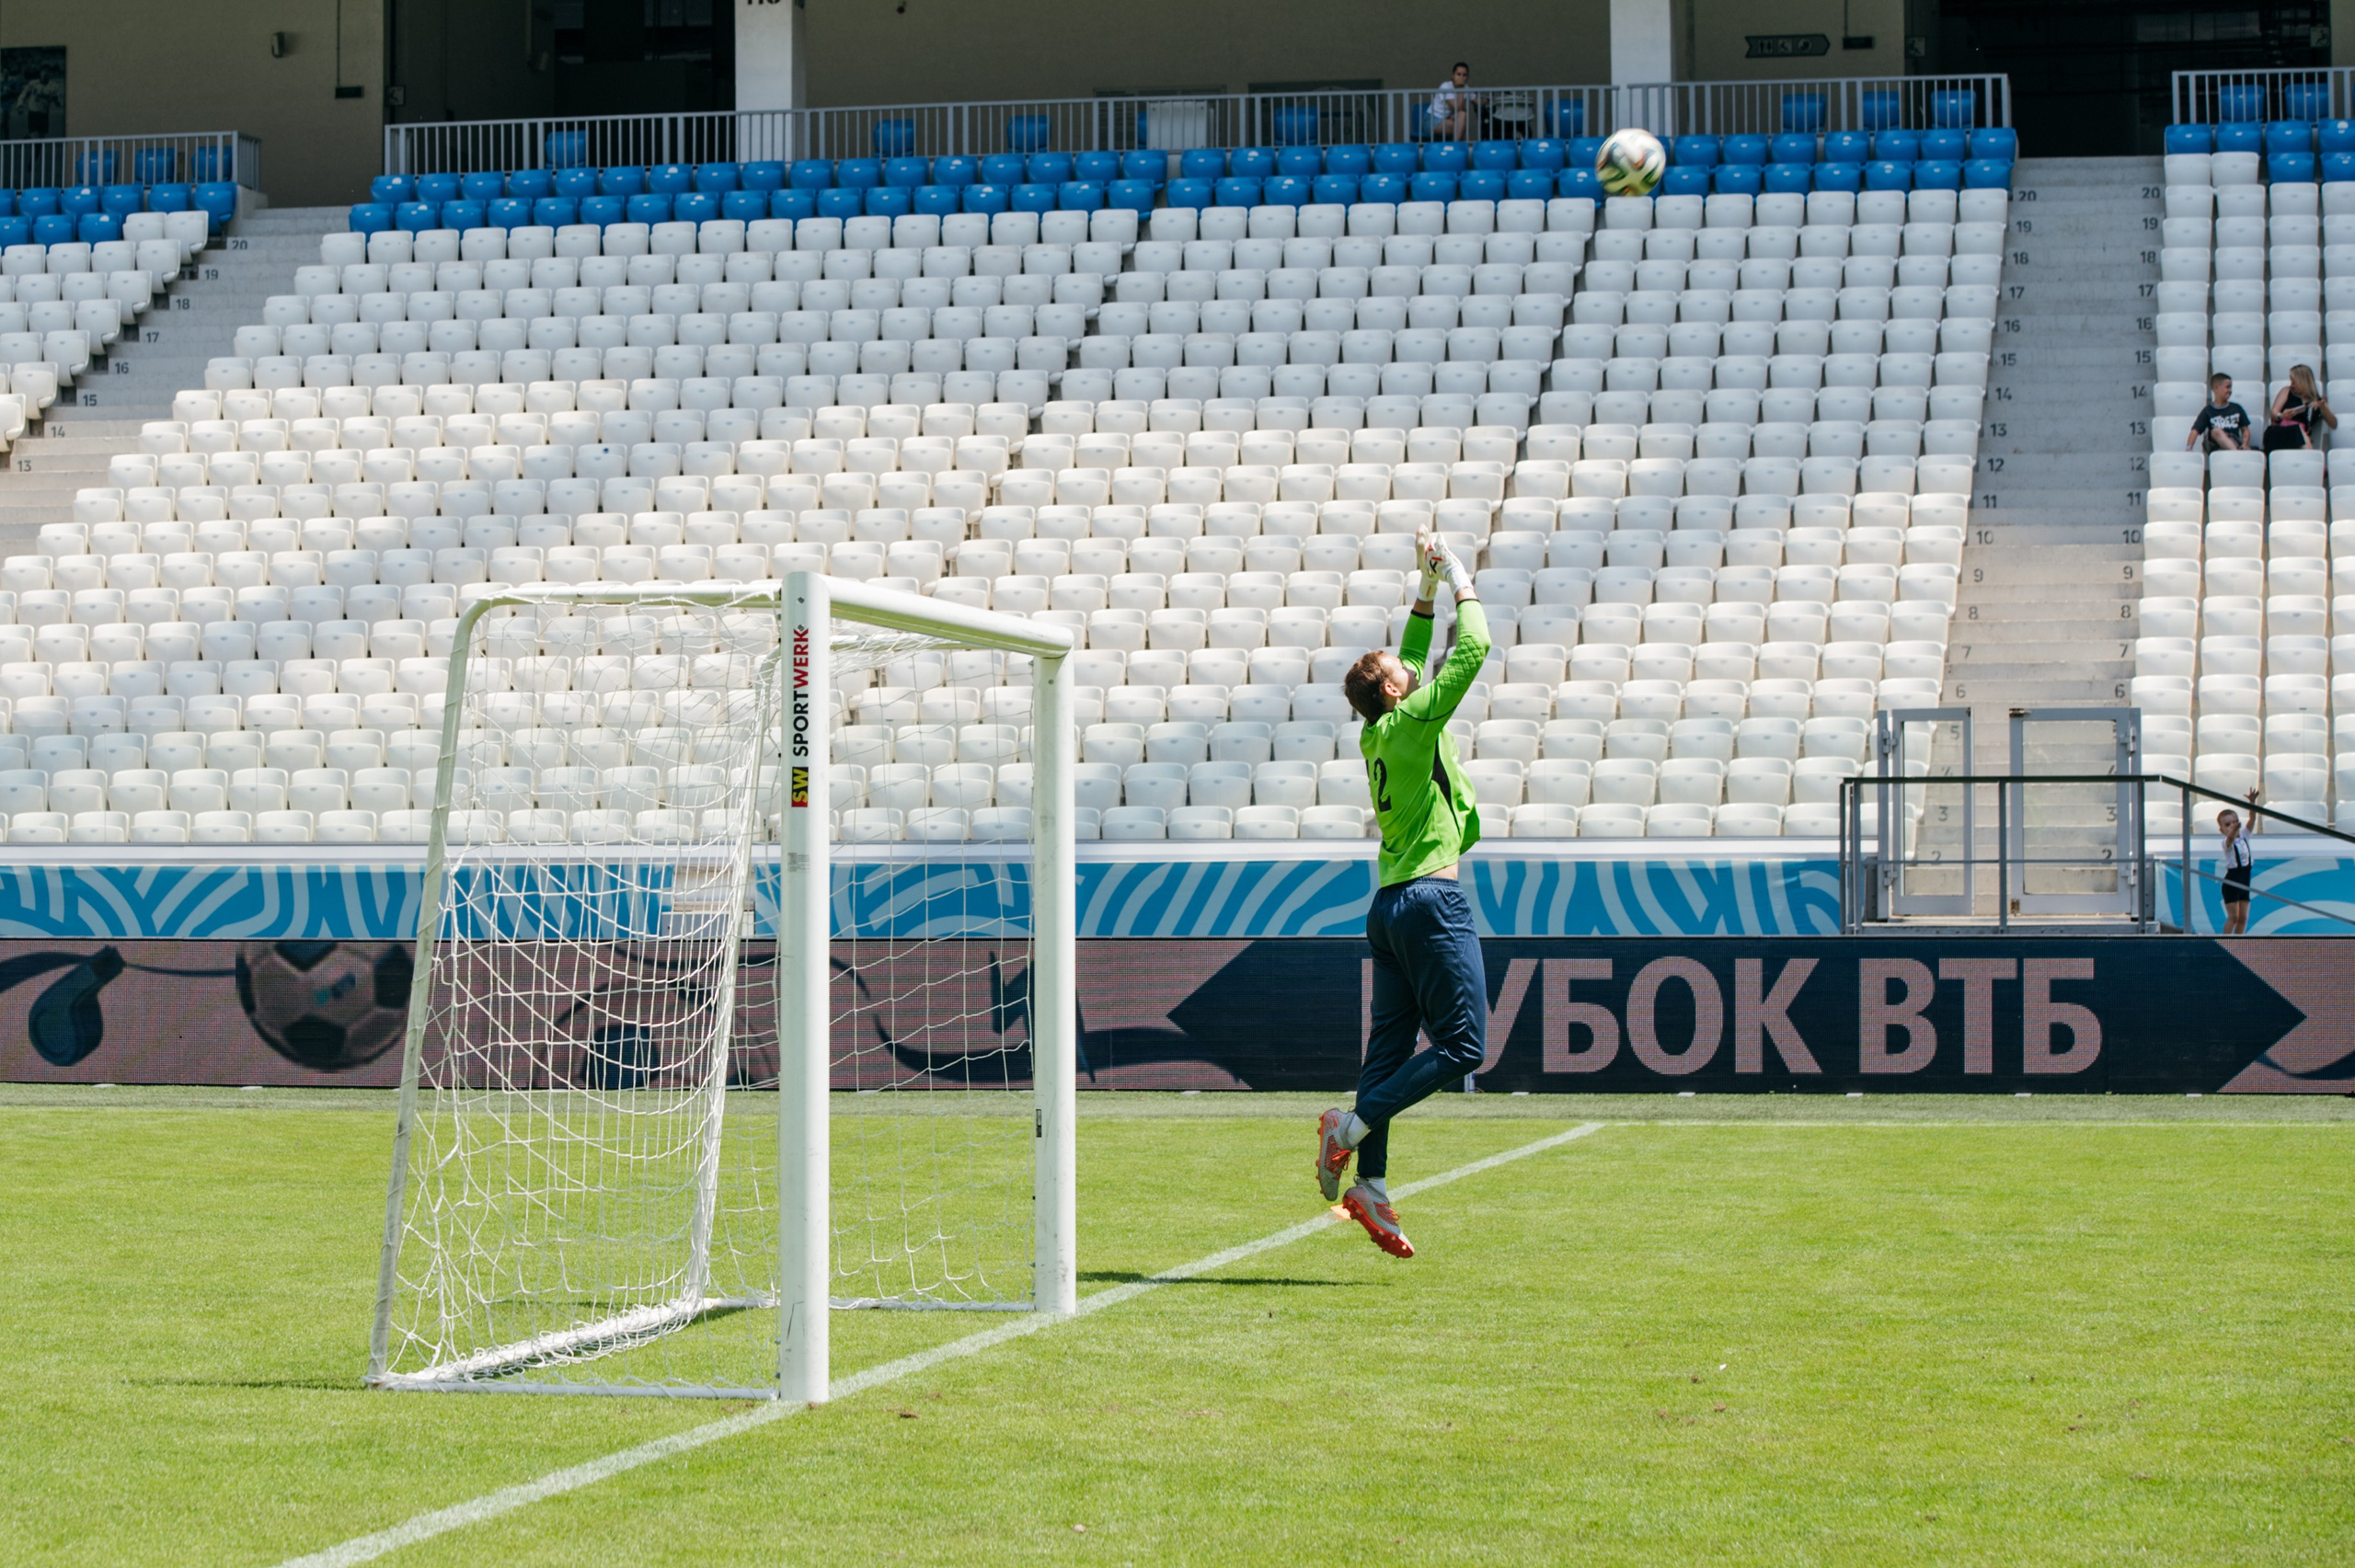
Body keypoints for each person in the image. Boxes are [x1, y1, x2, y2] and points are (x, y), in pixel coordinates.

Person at [1316, 528, 1489, 1259]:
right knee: (1465, 1043)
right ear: (1393, 690)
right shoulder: (1416, 717)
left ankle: (1373, 1184)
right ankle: (1350, 1128)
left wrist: (1422, 585)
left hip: (1388, 906)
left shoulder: (1377, 731)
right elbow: (1473, 647)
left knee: (1387, 1051)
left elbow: (1413, 655)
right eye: (1397, 668)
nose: (1407, 664)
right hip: (1429, 901)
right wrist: (1458, 576)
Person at [2218, 787, 2260, 935]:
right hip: (2232, 881)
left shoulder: (2244, 835)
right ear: (2221, 830)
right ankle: (2225, 943)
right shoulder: (2226, 842)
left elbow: (2252, 819)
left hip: (2245, 879)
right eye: (2228, 825)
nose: (2232, 826)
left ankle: (2239, 943)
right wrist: (2234, 830)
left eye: (2234, 822)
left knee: (2243, 918)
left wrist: (2252, 803)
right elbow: (2230, 837)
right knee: (2233, 917)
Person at [2266, 363, 2337, 452]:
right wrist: (2282, 415)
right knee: (2297, 429)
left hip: (2301, 438)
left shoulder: (2317, 401)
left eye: (2294, 382)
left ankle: (2308, 452)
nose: (2292, 385)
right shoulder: (2287, 391)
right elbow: (2273, 413)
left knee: (2299, 431)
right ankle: (2309, 454)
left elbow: (2333, 424)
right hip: (2279, 433)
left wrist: (2323, 408)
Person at [2187, 372, 2250, 452]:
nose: (2230, 390)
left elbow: (2245, 430)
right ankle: (2236, 453)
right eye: (2227, 387)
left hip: (2235, 441)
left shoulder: (2237, 408)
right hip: (2216, 447)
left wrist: (2245, 444)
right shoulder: (2208, 410)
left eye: (2230, 387)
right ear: (2216, 388)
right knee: (2216, 431)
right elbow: (2195, 431)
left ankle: (2235, 451)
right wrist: (2189, 449)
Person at [1429, 63, 1479, 142]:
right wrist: (1461, 89)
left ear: (1468, 77)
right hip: (1432, 119)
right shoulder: (1446, 86)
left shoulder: (1466, 88)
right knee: (1460, 126)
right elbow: (1458, 108)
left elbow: (1478, 101)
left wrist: (1487, 101)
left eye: (1464, 75)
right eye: (1458, 74)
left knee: (1462, 115)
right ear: (1453, 75)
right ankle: (1456, 146)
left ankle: (1457, 146)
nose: (1461, 78)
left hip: (1448, 119)